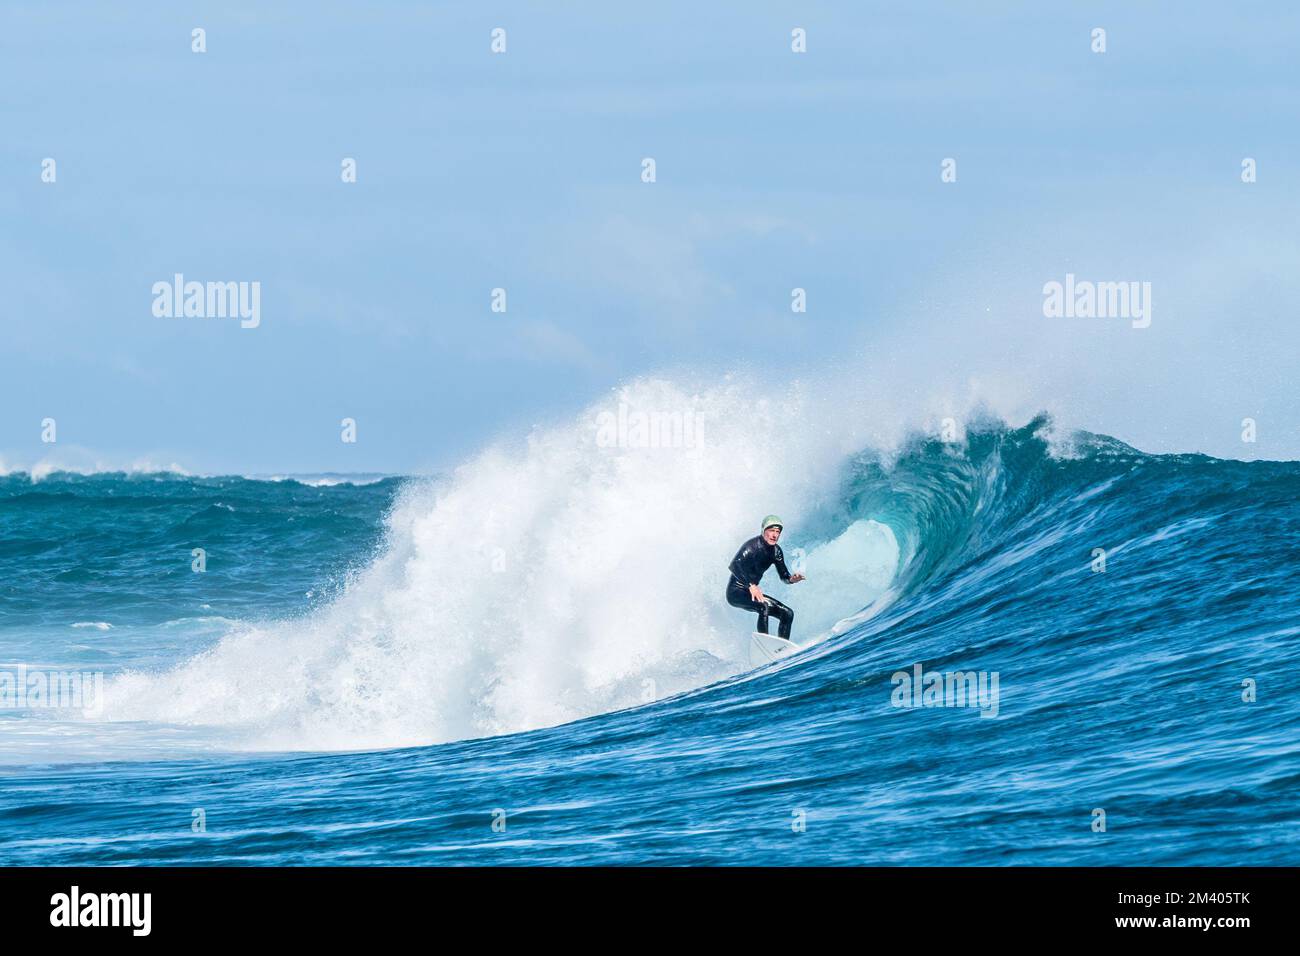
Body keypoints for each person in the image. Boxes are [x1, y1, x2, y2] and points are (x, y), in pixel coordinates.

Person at [726, 515, 805, 641]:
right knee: (763, 607)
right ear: (763, 531)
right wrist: (751, 585)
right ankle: (765, 644)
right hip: (735, 592)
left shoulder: (776, 552)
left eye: (777, 532)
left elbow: (783, 575)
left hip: (751, 591)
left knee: (787, 614)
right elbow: (735, 565)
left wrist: (791, 579)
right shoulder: (751, 547)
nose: (774, 535)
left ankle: (781, 648)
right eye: (771, 531)